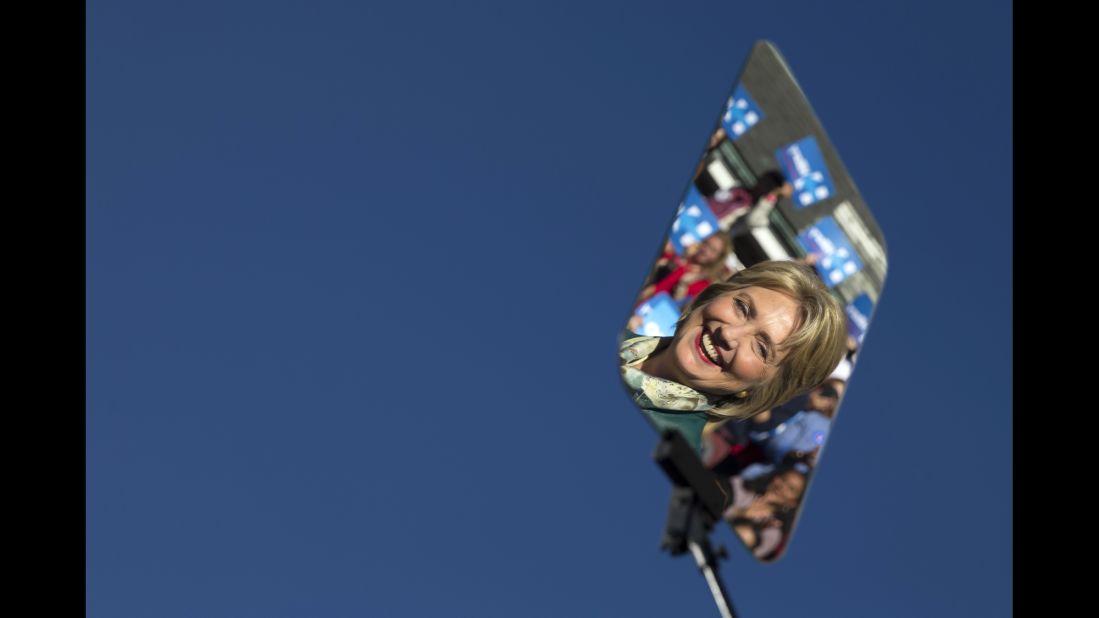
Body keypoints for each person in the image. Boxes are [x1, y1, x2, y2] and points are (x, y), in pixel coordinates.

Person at [619, 260, 849, 454]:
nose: (728, 334)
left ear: (765, 388)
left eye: (761, 348)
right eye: (742, 308)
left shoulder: (667, 454)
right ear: (716, 293)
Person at [635, 232, 734, 310]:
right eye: (706, 243)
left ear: (718, 258)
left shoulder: (704, 284)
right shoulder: (681, 253)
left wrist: (682, 286)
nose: (706, 250)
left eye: (713, 250)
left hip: (649, 309)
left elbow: (679, 307)